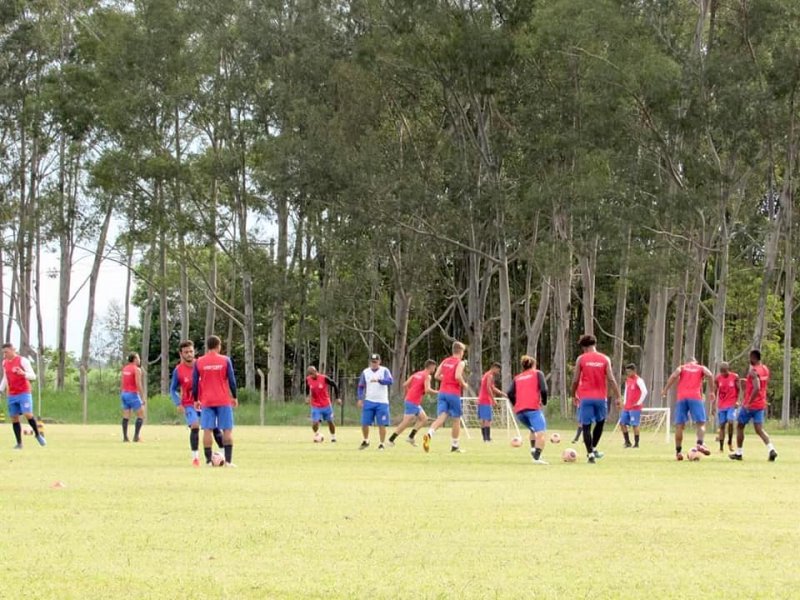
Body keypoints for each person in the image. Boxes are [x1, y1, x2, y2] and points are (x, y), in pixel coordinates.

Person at [170, 340, 224, 466]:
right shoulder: (178, 370)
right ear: (181, 354)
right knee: (195, 426)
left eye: (191, 351)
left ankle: (223, 456)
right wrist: (178, 403)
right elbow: (172, 389)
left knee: (214, 428)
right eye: (186, 352)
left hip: (206, 403)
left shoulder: (202, 365)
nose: (189, 354)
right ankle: (195, 458)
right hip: (189, 404)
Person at [571, 334, 621, 463]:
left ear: (584, 347)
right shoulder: (605, 359)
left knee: (586, 426)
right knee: (600, 423)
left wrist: (573, 394)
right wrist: (618, 396)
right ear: (594, 344)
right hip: (600, 398)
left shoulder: (581, 359)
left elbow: (575, 380)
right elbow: (611, 378)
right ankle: (593, 449)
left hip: (585, 397)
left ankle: (590, 453)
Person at [192, 335, 238, 467]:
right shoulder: (225, 360)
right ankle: (228, 462)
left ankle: (208, 461)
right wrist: (234, 396)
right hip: (223, 400)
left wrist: (196, 399)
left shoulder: (199, 361)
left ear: (207, 346)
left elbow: (195, 383)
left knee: (207, 430)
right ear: (218, 346)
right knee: (227, 431)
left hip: (207, 401)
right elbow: (232, 380)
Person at [423, 341, 471, 453]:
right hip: (453, 393)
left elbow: (436, 375)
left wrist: (447, 379)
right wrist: (464, 384)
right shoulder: (460, 362)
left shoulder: (445, 361)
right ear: (461, 351)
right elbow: (458, 376)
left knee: (441, 418)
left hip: (442, 392)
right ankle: (455, 446)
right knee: (456, 420)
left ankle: (429, 433)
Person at [662, 357, 714, 460]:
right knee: (701, 423)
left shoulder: (682, 367)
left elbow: (673, 376)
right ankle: (700, 443)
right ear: (696, 362)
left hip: (682, 397)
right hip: (695, 396)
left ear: (687, 362)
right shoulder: (701, 368)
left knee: (679, 426)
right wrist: (712, 391)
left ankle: (678, 452)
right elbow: (710, 374)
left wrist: (665, 389)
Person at [730, 349, 778, 462]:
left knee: (740, 426)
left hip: (751, 405)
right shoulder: (765, 369)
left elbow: (757, 387)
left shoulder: (753, 371)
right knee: (759, 429)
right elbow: (760, 383)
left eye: (749, 357)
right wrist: (747, 382)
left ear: (753, 357)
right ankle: (771, 449)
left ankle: (739, 453)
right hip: (761, 404)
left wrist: (748, 403)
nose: (748, 359)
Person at [0, 343, 45, 449]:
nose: (5, 354)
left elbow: (33, 376)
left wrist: (23, 373)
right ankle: (19, 443)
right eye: (3, 352)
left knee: (28, 414)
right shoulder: (4, 363)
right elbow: (5, 377)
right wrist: (1, 389)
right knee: (14, 418)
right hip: (12, 394)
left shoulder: (22, 361)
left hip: (24, 392)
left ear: (12, 350)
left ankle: (38, 435)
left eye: (6, 352)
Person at [507, 355, 549, 464]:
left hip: (520, 412)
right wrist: (544, 401)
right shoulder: (538, 373)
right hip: (533, 409)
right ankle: (536, 458)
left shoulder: (517, 378)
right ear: (534, 365)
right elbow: (544, 389)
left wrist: (515, 404)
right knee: (541, 434)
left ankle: (533, 449)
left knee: (533, 430)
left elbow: (509, 393)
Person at [388, 360, 436, 447]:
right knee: (405, 422)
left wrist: (410, 392)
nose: (434, 369)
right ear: (431, 367)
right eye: (434, 367)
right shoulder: (427, 376)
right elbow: (427, 390)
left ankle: (411, 437)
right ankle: (391, 440)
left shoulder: (417, 374)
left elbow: (405, 384)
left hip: (413, 401)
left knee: (424, 419)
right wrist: (439, 392)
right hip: (412, 401)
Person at [356, 353, 393, 450]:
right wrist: (360, 398)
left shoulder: (384, 370)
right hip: (369, 401)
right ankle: (366, 440)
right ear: (370, 362)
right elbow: (361, 386)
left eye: (376, 362)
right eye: (372, 362)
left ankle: (381, 443)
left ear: (379, 362)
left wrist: (380, 380)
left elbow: (390, 381)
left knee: (382, 424)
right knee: (364, 423)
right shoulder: (366, 372)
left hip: (382, 401)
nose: (374, 364)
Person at [306, 366, 341, 443]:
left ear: (316, 371)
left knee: (330, 421)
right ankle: (317, 434)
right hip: (315, 405)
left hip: (326, 405)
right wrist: (307, 397)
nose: (313, 375)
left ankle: (333, 437)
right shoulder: (308, 379)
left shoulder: (323, 378)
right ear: (309, 374)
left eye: (314, 372)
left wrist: (337, 397)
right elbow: (307, 388)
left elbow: (334, 385)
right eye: (311, 374)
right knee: (315, 423)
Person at [713, 362, 740, 453]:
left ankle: (730, 441)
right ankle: (721, 447)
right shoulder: (718, 379)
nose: (723, 373)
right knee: (722, 425)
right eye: (721, 372)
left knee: (730, 421)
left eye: (724, 371)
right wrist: (713, 405)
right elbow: (715, 391)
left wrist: (738, 400)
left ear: (728, 370)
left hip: (731, 404)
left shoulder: (734, 377)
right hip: (721, 405)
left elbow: (739, 390)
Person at [619, 363, 647, 448]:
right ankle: (627, 442)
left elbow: (645, 391)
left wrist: (639, 402)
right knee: (622, 423)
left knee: (635, 424)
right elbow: (627, 391)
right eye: (627, 371)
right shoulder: (628, 380)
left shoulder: (639, 380)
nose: (628, 373)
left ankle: (636, 443)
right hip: (627, 406)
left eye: (629, 371)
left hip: (635, 407)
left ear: (634, 371)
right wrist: (624, 402)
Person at [477, 362, 507, 442]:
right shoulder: (490, 375)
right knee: (487, 419)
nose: (498, 372)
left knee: (483, 419)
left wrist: (503, 394)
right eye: (498, 370)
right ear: (494, 368)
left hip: (481, 399)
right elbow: (488, 388)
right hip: (486, 400)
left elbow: (492, 388)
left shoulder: (486, 375)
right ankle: (487, 438)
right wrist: (493, 399)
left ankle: (485, 438)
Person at [120, 352, 145, 443]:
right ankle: (136, 437)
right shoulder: (137, 369)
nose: (139, 359)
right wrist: (142, 396)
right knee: (141, 415)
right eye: (138, 358)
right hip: (133, 394)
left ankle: (125, 437)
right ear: (134, 359)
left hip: (124, 393)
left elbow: (122, 382)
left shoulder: (125, 368)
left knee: (126, 416)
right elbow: (138, 383)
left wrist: (122, 392)